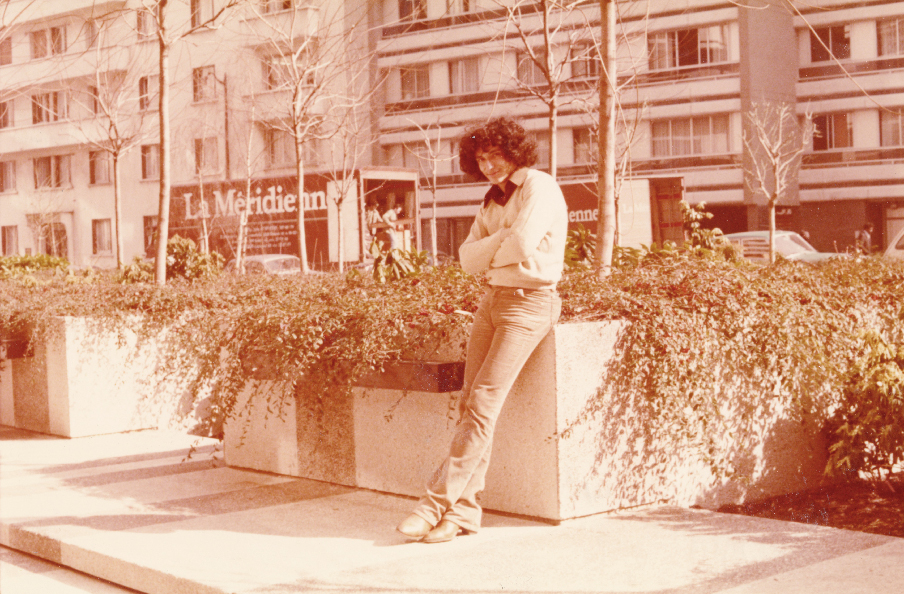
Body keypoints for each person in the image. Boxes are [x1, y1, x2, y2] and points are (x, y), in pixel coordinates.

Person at [395, 117, 568, 544]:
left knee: (484, 402)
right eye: (481, 159)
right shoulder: (492, 200)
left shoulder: (539, 187)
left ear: (515, 151)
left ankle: (433, 505)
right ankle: (465, 514)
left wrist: (497, 247)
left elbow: (524, 245)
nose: (489, 165)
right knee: (470, 403)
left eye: (496, 155)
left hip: (530, 304)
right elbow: (467, 259)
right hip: (491, 301)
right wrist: (502, 243)